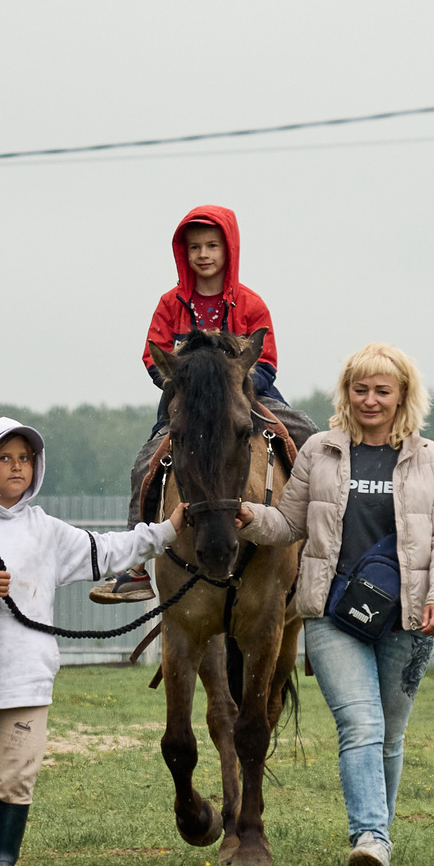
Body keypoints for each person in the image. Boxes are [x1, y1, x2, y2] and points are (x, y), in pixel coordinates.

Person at [0, 417, 174, 866]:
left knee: (16, 777)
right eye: (6, 458)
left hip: (28, 677)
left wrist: (168, 531)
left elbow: (109, 550)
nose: (18, 467)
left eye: (26, 459)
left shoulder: (48, 532)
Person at [239, 342, 434, 866]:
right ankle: (371, 838)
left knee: (389, 734)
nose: (370, 400)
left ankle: (376, 838)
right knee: (360, 726)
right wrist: (247, 517)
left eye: (382, 390)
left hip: (406, 618)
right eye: (360, 389)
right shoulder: (319, 451)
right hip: (331, 613)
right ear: (347, 393)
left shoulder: (432, 459)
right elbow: (288, 524)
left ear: (403, 395)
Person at [94, 203, 318, 599]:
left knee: (311, 441)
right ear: (184, 252)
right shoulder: (170, 304)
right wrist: (178, 383)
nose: (203, 254)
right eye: (195, 247)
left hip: (248, 396)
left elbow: (266, 360)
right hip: (188, 403)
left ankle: (318, 552)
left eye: (212, 245)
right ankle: (134, 566)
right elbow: (153, 353)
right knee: (144, 465)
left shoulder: (250, 303)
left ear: (228, 249)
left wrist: (237, 384)